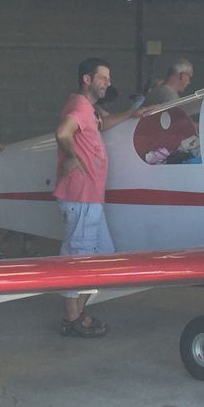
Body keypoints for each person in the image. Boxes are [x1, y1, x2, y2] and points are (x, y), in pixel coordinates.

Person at [54, 57, 144, 338]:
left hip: (91, 199)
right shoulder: (79, 106)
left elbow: (101, 124)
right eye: (103, 78)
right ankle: (73, 319)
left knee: (103, 256)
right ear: (87, 79)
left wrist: (130, 115)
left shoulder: (87, 109)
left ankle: (77, 313)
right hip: (80, 197)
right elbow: (63, 132)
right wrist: (70, 156)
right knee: (77, 259)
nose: (108, 83)